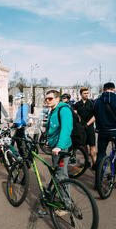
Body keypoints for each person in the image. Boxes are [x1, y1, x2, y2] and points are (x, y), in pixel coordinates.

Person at [93, 82, 116, 187]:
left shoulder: (96, 101)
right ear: (113, 89)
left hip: (103, 132)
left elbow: (95, 115)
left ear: (104, 89)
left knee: (100, 155)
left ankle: (97, 183)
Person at [44, 89, 73, 218]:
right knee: (56, 172)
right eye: (46, 99)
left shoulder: (64, 110)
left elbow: (67, 129)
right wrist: (48, 141)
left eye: (50, 98)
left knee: (61, 175)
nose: (47, 101)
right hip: (54, 146)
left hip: (62, 148)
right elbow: (52, 128)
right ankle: (58, 195)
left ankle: (67, 205)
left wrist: (59, 146)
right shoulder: (53, 110)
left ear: (57, 99)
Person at [73, 87, 97, 169]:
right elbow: (76, 115)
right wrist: (80, 125)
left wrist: (87, 124)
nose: (86, 94)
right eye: (85, 93)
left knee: (92, 146)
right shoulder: (77, 104)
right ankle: (87, 163)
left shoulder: (92, 103)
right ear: (81, 94)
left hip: (90, 128)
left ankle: (95, 164)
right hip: (81, 128)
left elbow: (95, 116)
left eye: (87, 93)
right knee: (84, 146)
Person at [12, 93, 29, 158]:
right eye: (16, 100)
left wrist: (20, 125)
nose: (16, 101)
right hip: (17, 125)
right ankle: (21, 156)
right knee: (15, 141)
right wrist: (14, 122)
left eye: (17, 99)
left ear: (22, 99)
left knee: (20, 144)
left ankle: (24, 158)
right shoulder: (20, 106)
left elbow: (24, 118)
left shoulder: (24, 106)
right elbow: (18, 116)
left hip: (21, 127)